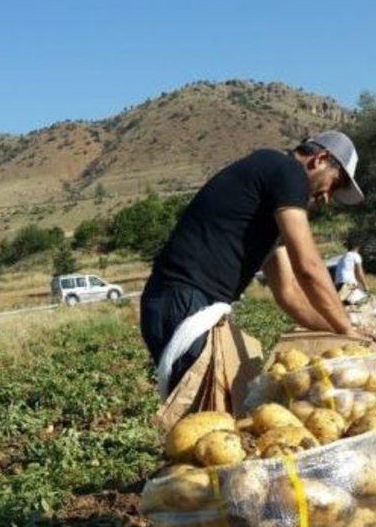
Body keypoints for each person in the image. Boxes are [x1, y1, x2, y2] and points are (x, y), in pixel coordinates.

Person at [140, 132, 364, 398]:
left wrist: (332, 331)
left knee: (215, 414)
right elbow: (309, 267)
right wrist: (346, 329)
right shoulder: (287, 170)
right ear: (321, 159)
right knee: (203, 417)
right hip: (182, 300)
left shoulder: (269, 200)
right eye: (334, 184)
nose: (327, 197)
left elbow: (289, 292)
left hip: (187, 303)